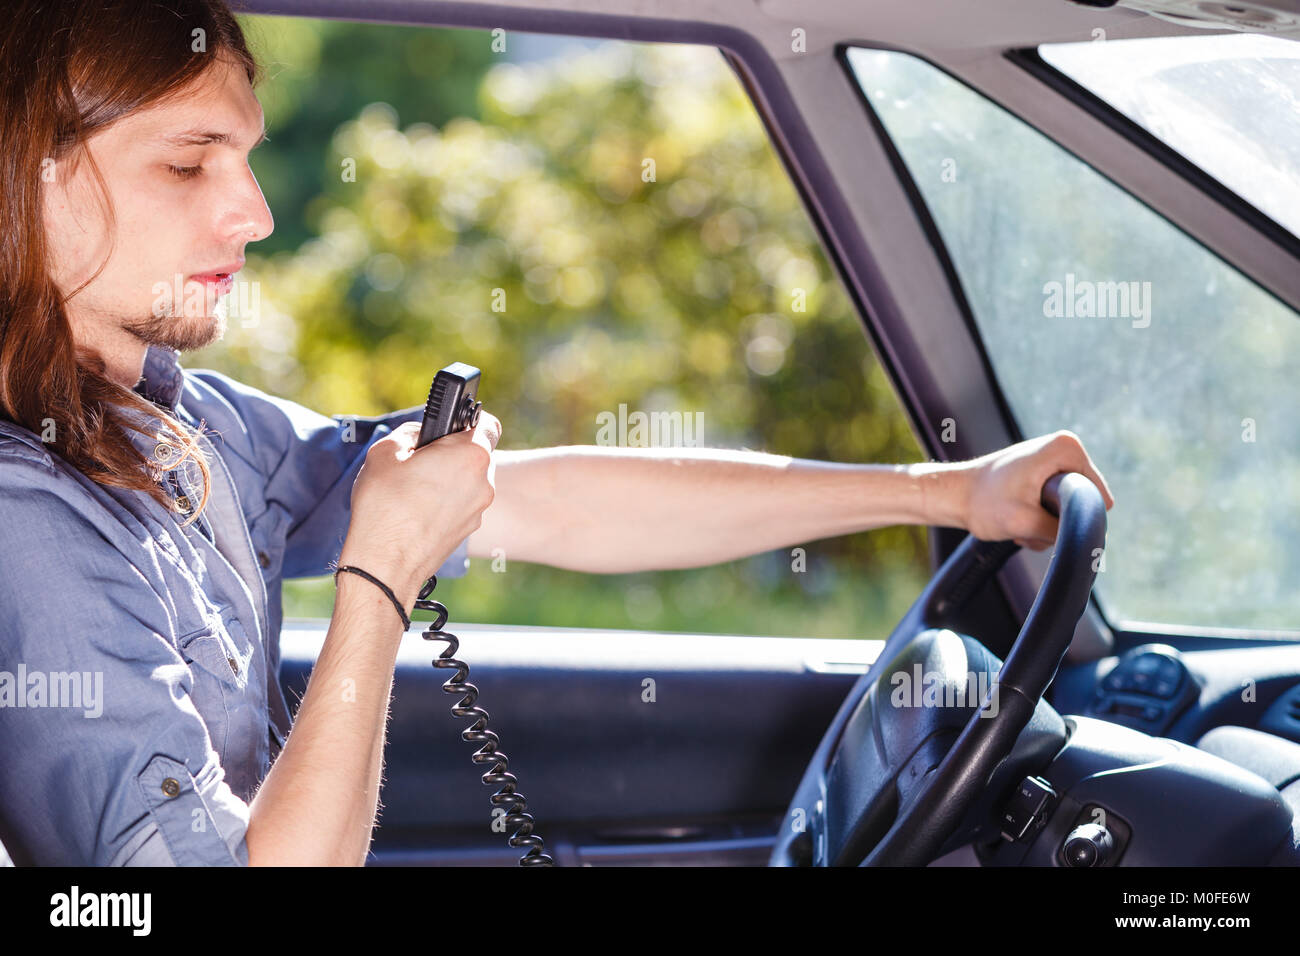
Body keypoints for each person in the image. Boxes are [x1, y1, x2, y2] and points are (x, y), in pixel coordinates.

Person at [0, 0, 1114, 866]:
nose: (255, 212)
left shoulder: (177, 421)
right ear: (25, 181)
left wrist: (945, 493)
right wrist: (380, 579)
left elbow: (546, 498)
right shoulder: (27, 520)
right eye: (188, 162)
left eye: (245, 157)